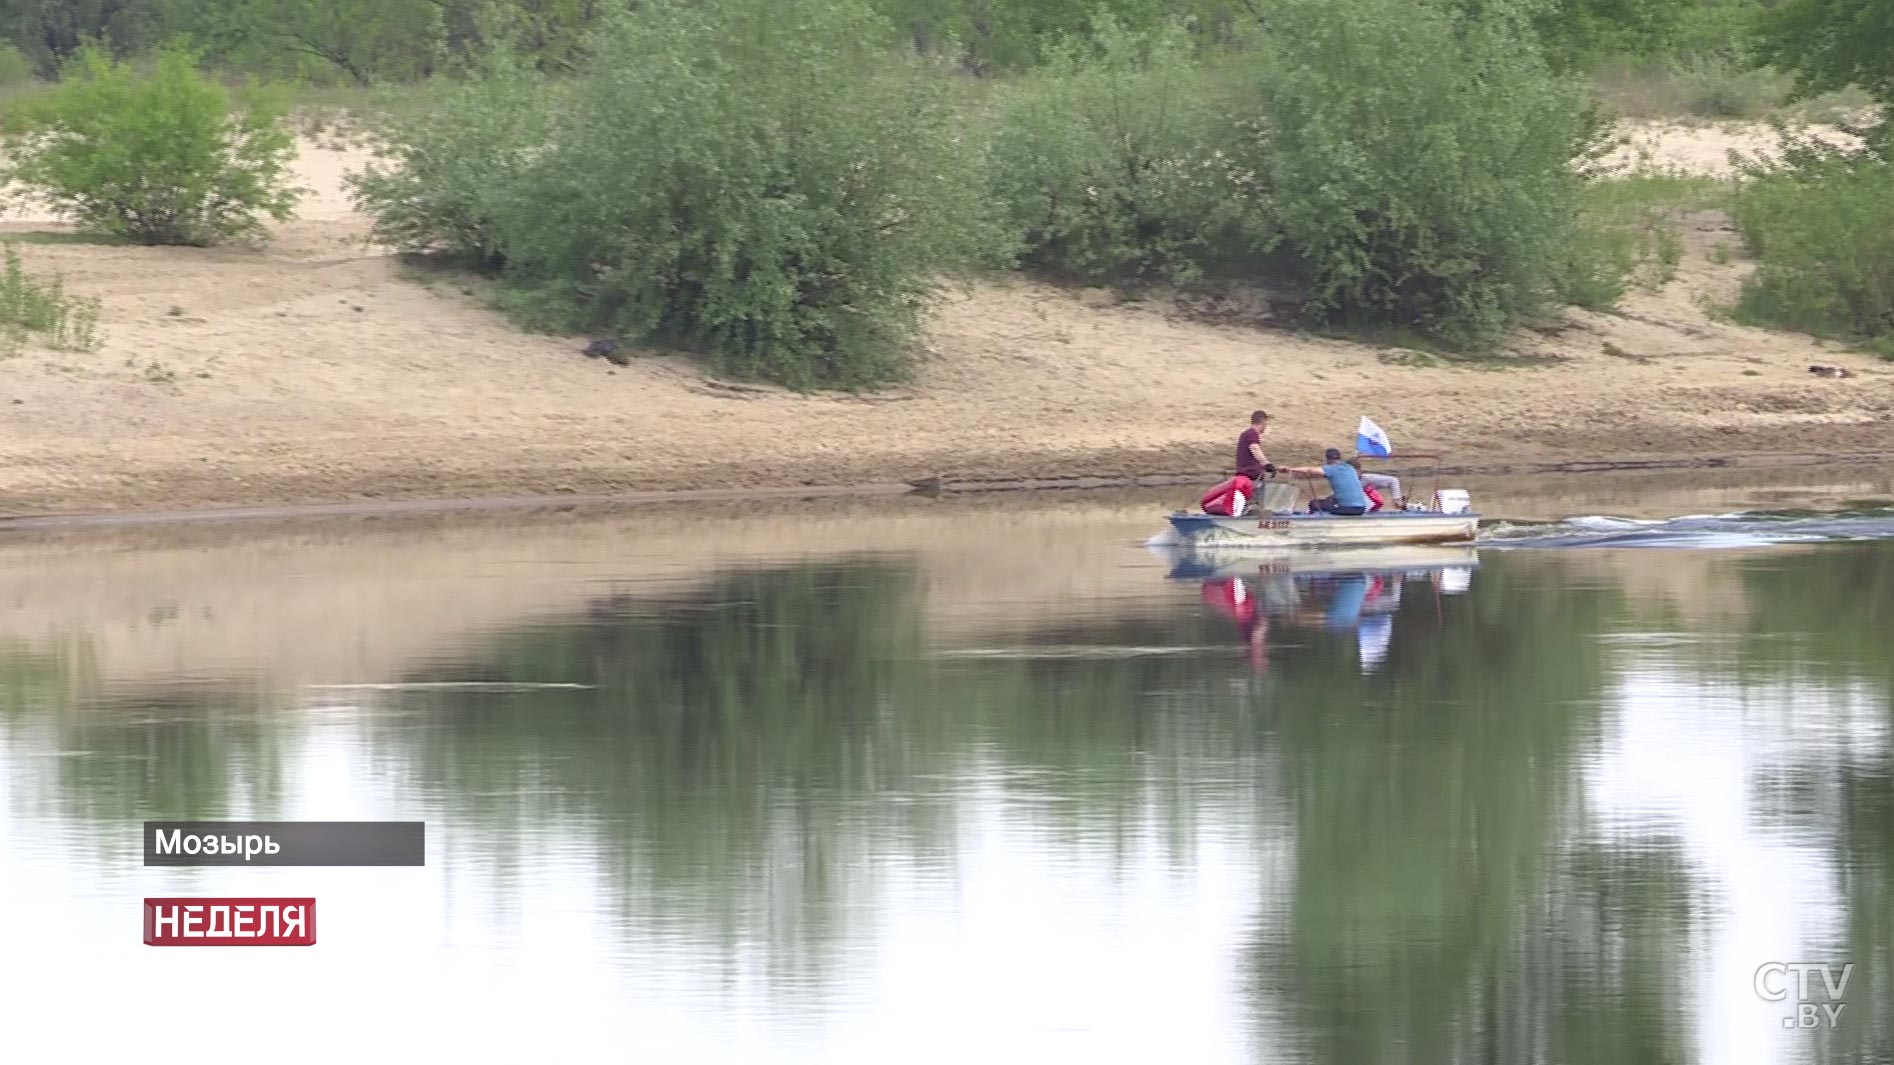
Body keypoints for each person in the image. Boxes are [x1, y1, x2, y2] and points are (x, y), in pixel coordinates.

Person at [1283, 448, 1371, 515]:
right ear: (1339, 458)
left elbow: (1309, 470)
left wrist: (1290, 469)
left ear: (1327, 459)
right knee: (1328, 501)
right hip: (1361, 508)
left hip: (1347, 509)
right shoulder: (1349, 468)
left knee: (1314, 504)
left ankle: (1315, 524)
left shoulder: (1331, 468)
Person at [1235, 410, 1275, 481]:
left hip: (1244, 476)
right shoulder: (1252, 433)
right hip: (1250, 477)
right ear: (1263, 422)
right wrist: (1267, 464)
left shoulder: (1246, 434)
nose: (1266, 426)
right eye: (1266, 423)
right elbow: (1254, 448)